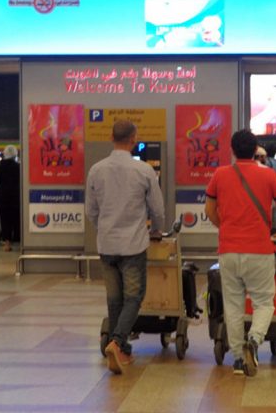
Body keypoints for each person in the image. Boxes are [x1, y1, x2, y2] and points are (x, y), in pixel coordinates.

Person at [205, 129, 276, 377]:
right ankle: (253, 340)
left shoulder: (220, 175)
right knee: (263, 302)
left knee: (233, 305)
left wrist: (225, 228)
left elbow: (209, 210)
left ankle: (237, 359)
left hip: (229, 250)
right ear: (255, 150)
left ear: (232, 150)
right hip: (260, 250)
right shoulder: (269, 175)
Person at [86, 120, 165, 375]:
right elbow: (157, 209)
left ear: (111, 137)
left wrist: (103, 228)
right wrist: (156, 230)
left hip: (107, 244)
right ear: (134, 139)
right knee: (134, 297)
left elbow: (91, 211)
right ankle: (118, 342)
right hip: (133, 244)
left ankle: (122, 348)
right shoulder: (144, 170)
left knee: (114, 298)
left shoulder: (96, 170)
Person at [0, 145, 20, 252]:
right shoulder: (18, 165)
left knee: (5, 218)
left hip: (3, 195)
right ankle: (18, 240)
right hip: (16, 195)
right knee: (16, 217)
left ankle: (7, 243)